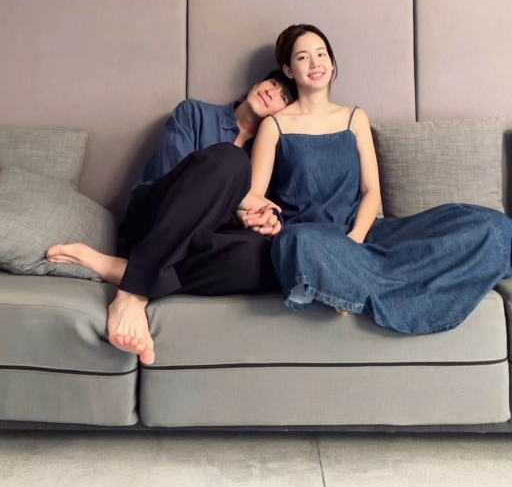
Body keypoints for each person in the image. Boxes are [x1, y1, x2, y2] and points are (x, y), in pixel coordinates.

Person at [241, 24, 512, 335]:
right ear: (289, 69)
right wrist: (266, 220)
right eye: (303, 57)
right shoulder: (274, 125)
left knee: (486, 223)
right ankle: (351, 281)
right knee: (294, 242)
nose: (315, 63)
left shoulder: (355, 118)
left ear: (332, 63)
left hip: (367, 236)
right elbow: (253, 198)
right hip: (315, 240)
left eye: (321, 54)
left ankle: (348, 285)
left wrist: (354, 241)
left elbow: (372, 193)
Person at [47, 70, 295, 365]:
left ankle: (120, 269)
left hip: (200, 246)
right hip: (153, 222)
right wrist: (241, 202)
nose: (272, 92)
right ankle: (132, 295)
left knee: (258, 256)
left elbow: (266, 206)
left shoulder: (269, 152)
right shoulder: (195, 113)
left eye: (283, 97)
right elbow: (175, 181)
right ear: (256, 84)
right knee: (231, 160)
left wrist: (268, 218)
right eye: (272, 83)